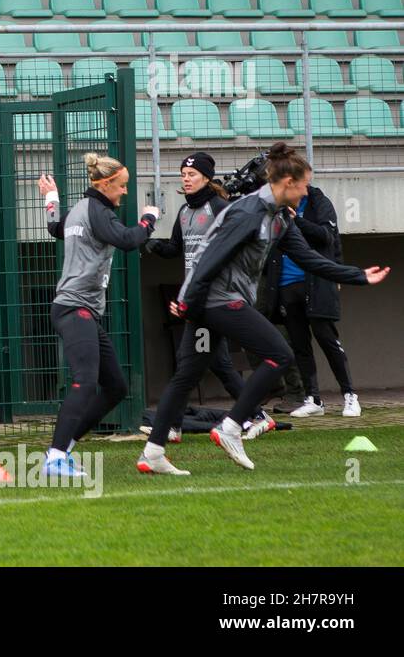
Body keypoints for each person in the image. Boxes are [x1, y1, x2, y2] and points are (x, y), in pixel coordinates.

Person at [162, 144, 387, 471]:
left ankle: (157, 448)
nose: (307, 189)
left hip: (213, 300)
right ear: (287, 182)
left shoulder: (277, 217)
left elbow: (310, 256)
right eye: (304, 183)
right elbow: (208, 260)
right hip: (215, 301)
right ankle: (231, 424)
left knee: (195, 368)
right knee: (274, 355)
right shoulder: (247, 211)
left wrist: (357, 275)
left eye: (191, 174)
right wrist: (188, 299)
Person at [141, 153, 274, 457]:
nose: (185, 178)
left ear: (206, 177)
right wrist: (146, 241)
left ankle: (252, 416)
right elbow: (176, 248)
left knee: (208, 364)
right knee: (204, 363)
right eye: (183, 173)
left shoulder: (220, 208)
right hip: (198, 300)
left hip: (217, 299)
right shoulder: (186, 211)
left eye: (191, 173)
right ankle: (179, 425)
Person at [40, 154, 159, 478]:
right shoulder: (98, 211)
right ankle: (55, 457)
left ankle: (64, 448)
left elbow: (55, 227)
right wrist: (149, 219)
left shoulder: (80, 208)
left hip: (82, 310)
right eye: (121, 187)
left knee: (115, 386)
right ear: (105, 184)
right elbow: (128, 240)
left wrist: (51, 198)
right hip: (74, 308)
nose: (124, 193)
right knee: (85, 381)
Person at [259, 183, 360, 418]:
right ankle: (313, 399)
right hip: (285, 284)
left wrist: (296, 221)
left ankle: (350, 395)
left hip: (315, 283)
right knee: (299, 344)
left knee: (327, 338)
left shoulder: (318, 201)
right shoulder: (274, 203)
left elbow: (327, 236)